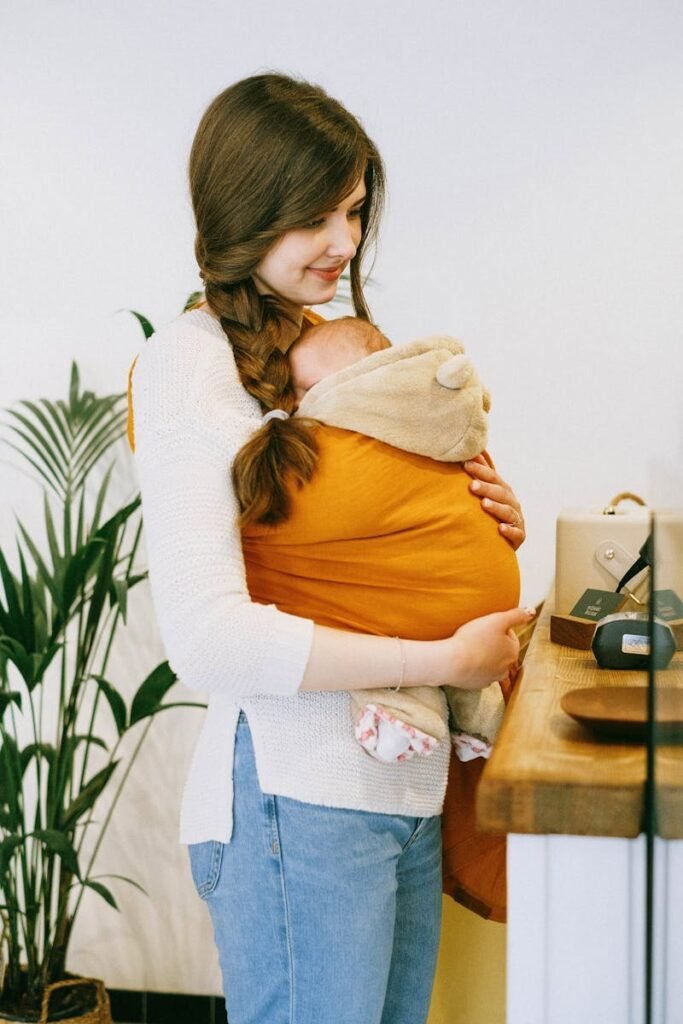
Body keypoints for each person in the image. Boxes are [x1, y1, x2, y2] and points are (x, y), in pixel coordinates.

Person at [128, 73, 530, 1024]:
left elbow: (385, 537)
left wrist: (485, 521)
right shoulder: (191, 360)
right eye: (315, 216)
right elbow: (206, 636)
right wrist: (437, 656)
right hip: (294, 801)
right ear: (244, 212)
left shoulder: (341, 352)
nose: (344, 243)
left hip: (404, 785)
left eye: (352, 211)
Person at [270, 314, 509, 764]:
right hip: (332, 731)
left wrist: (486, 521)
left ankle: (472, 715)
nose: (300, 405)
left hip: (419, 783)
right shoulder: (309, 458)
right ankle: (412, 711)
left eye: (314, 388)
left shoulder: (416, 434)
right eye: (295, 391)